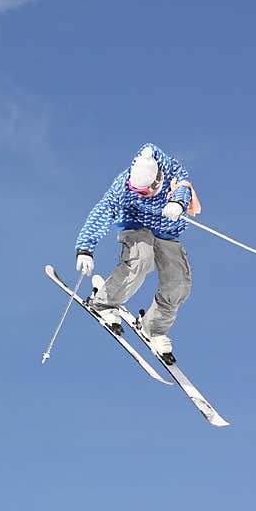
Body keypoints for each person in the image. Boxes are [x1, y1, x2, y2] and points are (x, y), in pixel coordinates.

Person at [74, 143, 201, 364]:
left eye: (142, 192)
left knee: (178, 283)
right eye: (135, 190)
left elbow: (183, 187)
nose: (138, 194)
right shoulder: (123, 186)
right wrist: (85, 248)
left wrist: (178, 203)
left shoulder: (172, 171)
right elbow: (103, 211)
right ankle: (103, 302)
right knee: (141, 258)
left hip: (166, 230)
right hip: (136, 225)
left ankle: (153, 328)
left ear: (157, 181)